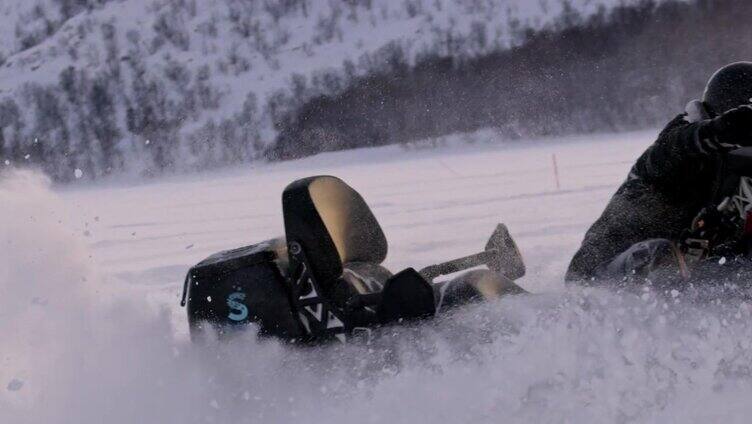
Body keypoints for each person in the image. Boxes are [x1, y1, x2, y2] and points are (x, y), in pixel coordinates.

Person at [566, 62, 752, 284]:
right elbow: (673, 149)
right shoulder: (681, 149)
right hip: (603, 272)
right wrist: (715, 132)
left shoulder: (741, 173)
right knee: (657, 254)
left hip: (693, 275)